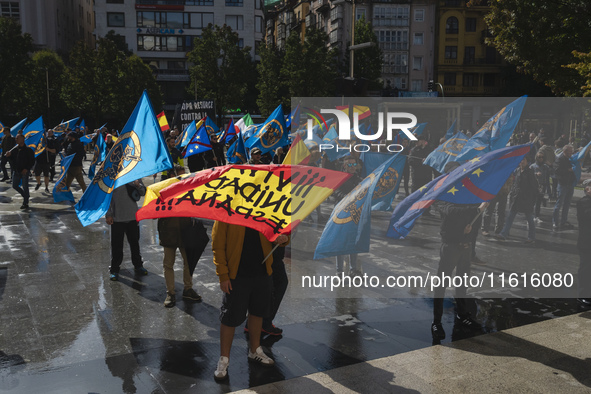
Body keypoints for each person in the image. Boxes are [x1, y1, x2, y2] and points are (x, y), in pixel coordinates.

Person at [211, 221, 289, 381]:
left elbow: (274, 234)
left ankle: (255, 350)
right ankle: (224, 359)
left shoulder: (263, 207)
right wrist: (223, 275)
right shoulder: (226, 210)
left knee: (257, 312)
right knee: (229, 318)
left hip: (262, 271)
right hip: (236, 275)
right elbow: (218, 245)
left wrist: (281, 239)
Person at [431, 201, 489, 340]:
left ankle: (462, 315)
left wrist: (469, 229)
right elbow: (451, 211)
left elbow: (473, 220)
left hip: (466, 247)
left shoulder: (468, 198)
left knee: (462, 282)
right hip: (450, 246)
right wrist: (476, 210)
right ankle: (436, 322)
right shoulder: (446, 196)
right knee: (442, 284)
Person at [106, 179, 148, 281]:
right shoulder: (113, 176)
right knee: (117, 245)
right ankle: (115, 269)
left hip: (133, 217)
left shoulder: (135, 175)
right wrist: (109, 214)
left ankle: (138, 265)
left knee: (135, 243)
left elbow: (143, 192)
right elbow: (107, 198)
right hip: (117, 218)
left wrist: (138, 185)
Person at [333, 155, 364, 276]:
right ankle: (339, 270)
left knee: (353, 242)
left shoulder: (359, 179)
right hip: (341, 214)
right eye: (349, 165)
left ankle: (353, 269)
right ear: (344, 166)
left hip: (355, 214)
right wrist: (349, 198)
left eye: (354, 164)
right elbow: (336, 193)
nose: (352, 167)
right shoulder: (340, 178)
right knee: (340, 243)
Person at [496, 157, 538, 243]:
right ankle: (503, 234)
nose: (522, 162)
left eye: (524, 160)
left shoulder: (529, 172)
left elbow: (533, 187)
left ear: (527, 162)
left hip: (526, 199)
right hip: (516, 198)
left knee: (529, 218)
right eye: (521, 160)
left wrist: (531, 199)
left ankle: (531, 237)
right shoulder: (517, 170)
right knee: (510, 216)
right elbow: (515, 184)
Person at [5, 134, 35, 209]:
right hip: (16, 170)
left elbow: (32, 161)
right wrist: (9, 156)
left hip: (24, 171)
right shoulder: (15, 149)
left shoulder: (28, 150)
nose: (16, 139)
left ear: (23, 139)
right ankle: (25, 196)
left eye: (18, 138)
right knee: (14, 185)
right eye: (16, 138)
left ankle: (25, 202)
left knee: (25, 186)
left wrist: (27, 168)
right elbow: (12, 159)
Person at [552, 144, 576, 230]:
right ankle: (555, 221)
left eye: (572, 152)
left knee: (567, 204)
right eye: (570, 152)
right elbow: (556, 170)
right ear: (565, 151)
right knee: (559, 204)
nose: (571, 153)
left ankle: (563, 221)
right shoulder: (560, 158)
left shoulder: (571, 159)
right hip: (563, 184)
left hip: (570, 184)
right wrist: (567, 170)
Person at [576, 179, 591, 307]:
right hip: (586, 242)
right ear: (587, 189)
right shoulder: (583, 202)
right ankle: (583, 295)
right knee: (585, 269)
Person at [530, 152, 550, 223]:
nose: (541, 159)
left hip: (542, 185)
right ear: (536, 158)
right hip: (534, 185)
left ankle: (537, 216)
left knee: (538, 202)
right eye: (539, 157)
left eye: (542, 157)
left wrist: (550, 165)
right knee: (532, 201)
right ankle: (530, 216)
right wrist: (536, 174)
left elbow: (551, 173)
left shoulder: (545, 167)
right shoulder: (533, 166)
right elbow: (529, 175)